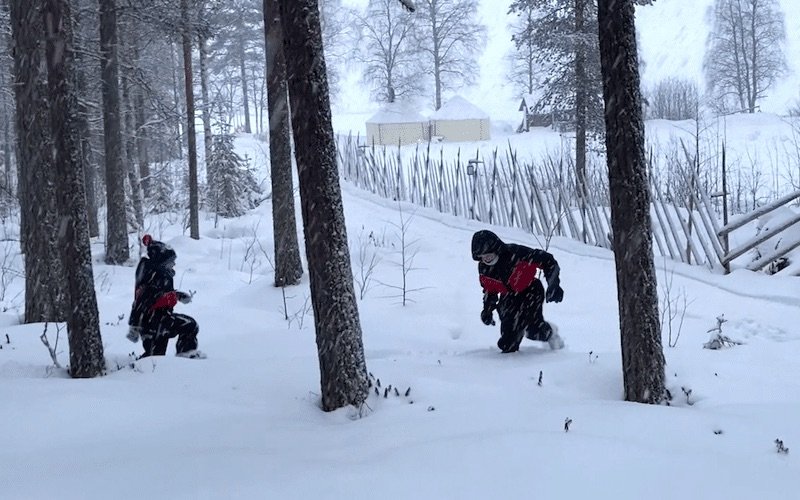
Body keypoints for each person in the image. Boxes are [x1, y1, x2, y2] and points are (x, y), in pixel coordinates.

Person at [471, 229, 564, 353]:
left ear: (496, 249)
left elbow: (548, 261)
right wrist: (487, 310)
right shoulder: (484, 269)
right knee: (508, 343)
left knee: (533, 331)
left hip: (531, 291)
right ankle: (511, 364)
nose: (487, 259)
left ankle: (550, 333)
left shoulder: (517, 254)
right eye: (482, 257)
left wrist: (553, 285)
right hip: (509, 298)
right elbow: (490, 289)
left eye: (489, 254)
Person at [127, 234, 205, 359]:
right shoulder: (153, 277)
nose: (173, 265)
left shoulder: (157, 274)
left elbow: (160, 296)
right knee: (189, 326)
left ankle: (185, 355)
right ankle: (186, 355)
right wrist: (134, 326)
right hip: (154, 324)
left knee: (156, 355)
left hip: (159, 322)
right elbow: (144, 302)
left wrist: (177, 296)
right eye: (171, 262)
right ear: (162, 263)